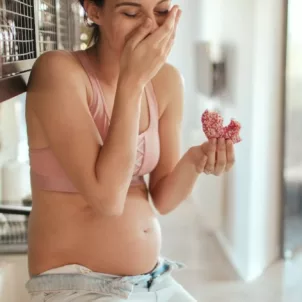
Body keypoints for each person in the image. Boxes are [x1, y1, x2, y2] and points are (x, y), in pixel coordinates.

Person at [25, 0, 235, 301]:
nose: (150, 26)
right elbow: (107, 200)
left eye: (161, 12)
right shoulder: (58, 71)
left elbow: (162, 198)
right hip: (77, 284)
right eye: (131, 13)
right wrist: (132, 81)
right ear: (94, 11)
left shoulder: (166, 81)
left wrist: (196, 159)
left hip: (153, 280)